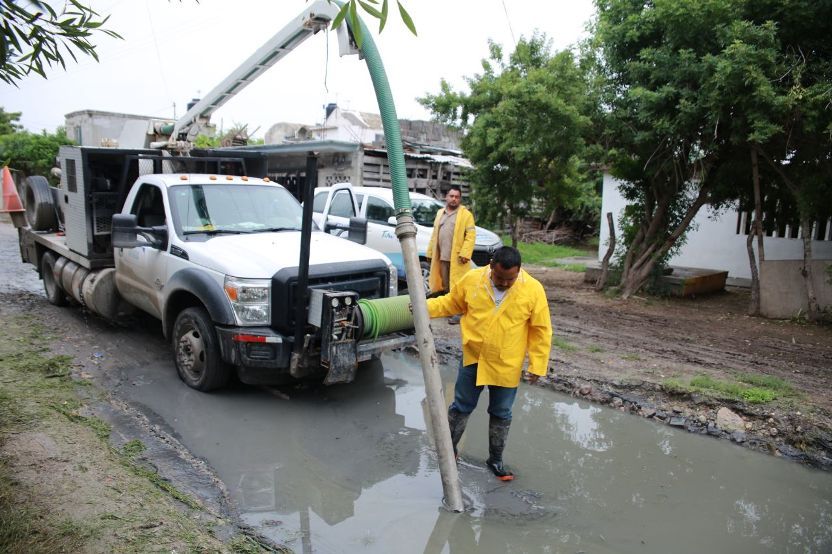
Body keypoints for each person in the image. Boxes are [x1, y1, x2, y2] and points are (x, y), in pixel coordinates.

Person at [426, 246, 552, 480]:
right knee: (461, 406)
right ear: (491, 266)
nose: (504, 283)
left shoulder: (533, 289)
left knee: (501, 413)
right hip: (473, 357)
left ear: (519, 271)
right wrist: (423, 307)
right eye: (500, 278)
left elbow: (541, 330)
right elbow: (450, 303)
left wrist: (537, 365)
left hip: (506, 364)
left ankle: (495, 460)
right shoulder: (473, 280)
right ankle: (448, 451)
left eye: (510, 279)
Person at [425, 186, 475, 324]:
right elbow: (434, 235)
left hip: (458, 259)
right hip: (442, 257)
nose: (454, 199)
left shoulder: (466, 215)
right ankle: (448, 309)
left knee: (458, 286)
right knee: (445, 285)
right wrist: (430, 252)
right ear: (446, 197)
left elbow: (471, 235)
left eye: (457, 197)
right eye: (451, 196)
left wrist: (465, 252)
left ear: (460, 199)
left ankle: (459, 312)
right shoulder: (440, 213)